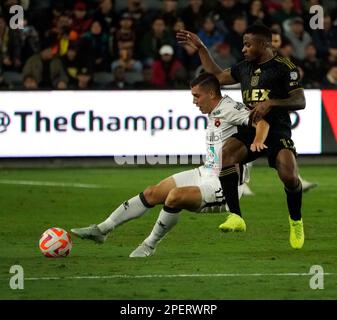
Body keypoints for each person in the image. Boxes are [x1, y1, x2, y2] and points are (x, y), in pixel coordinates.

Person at [71, 72, 269, 257]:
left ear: (211, 93)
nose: (194, 102)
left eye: (197, 96)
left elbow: (261, 122)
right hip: (204, 171)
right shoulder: (217, 108)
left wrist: (258, 140)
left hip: (223, 185)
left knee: (174, 197)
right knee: (152, 192)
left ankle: (148, 246)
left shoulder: (229, 108)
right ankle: (102, 230)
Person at [177, 24, 306, 249]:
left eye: (248, 44)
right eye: (243, 44)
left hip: (277, 130)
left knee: (290, 177)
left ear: (264, 44)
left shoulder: (285, 67)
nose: (244, 49)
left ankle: (295, 220)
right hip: (251, 126)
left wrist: (272, 102)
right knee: (226, 153)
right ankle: (236, 216)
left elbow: (300, 101)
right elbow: (216, 76)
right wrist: (201, 48)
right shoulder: (244, 67)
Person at [241, 30, 318, 196]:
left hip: (275, 114)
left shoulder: (284, 62)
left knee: (281, 149)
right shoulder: (255, 61)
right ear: (267, 42)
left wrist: (277, 101)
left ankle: (296, 178)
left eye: (278, 40)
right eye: (273, 40)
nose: (275, 43)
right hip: (256, 112)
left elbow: (294, 85)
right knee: (247, 144)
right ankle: (242, 182)